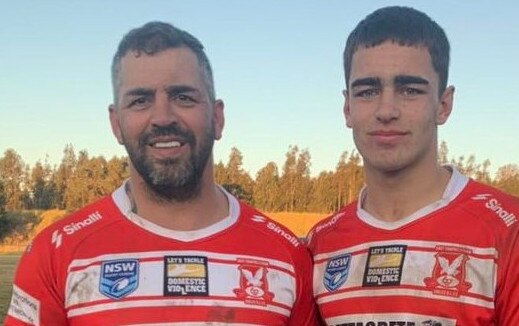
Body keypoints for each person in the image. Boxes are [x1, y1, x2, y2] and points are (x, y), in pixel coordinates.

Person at [5, 21, 317, 325]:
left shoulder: (286, 254)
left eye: (183, 97)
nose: (162, 117)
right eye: (140, 100)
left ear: (217, 117)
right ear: (116, 124)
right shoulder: (55, 254)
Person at [307, 6, 519, 325]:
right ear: (347, 107)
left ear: (444, 105)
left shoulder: (511, 227)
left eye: (409, 90)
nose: (387, 109)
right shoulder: (320, 243)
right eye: (368, 91)